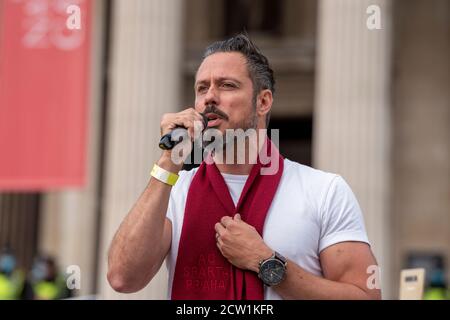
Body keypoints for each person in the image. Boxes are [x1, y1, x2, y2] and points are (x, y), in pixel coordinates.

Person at [107, 33, 381, 300]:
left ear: (263, 102)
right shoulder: (174, 192)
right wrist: (170, 159)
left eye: (227, 85)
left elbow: (365, 296)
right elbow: (122, 278)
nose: (209, 98)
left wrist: (266, 262)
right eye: (202, 88)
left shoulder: (324, 191)